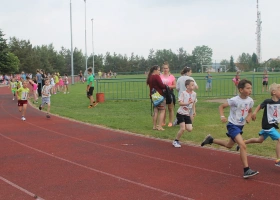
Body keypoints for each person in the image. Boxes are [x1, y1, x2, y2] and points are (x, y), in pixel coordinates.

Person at [201, 79, 259, 179]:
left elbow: (249, 111)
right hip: (232, 125)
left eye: (251, 88)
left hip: (240, 126)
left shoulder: (250, 101)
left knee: (229, 145)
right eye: (248, 88)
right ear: (241, 90)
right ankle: (246, 170)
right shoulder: (235, 100)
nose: (250, 90)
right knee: (242, 145)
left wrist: (250, 117)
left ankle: (210, 139)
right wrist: (222, 117)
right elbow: (221, 106)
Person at [237, 83, 280, 167]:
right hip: (267, 125)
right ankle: (278, 159)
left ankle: (243, 142)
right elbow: (260, 106)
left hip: (272, 125)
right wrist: (254, 113)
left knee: (259, 140)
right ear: (274, 92)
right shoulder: (268, 101)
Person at [172, 79, 196, 147]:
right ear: (187, 86)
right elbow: (180, 103)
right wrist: (187, 103)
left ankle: (178, 122)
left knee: (190, 129)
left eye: (193, 85)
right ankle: (175, 141)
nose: (193, 86)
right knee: (182, 128)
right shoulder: (183, 93)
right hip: (180, 113)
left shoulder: (194, 94)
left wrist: (194, 111)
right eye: (192, 85)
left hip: (187, 114)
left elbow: (194, 103)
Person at [147, 65, 166, 131]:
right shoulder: (156, 76)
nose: (159, 71)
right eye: (158, 70)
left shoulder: (150, 77)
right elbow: (161, 85)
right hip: (159, 95)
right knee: (162, 110)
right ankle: (160, 126)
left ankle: (154, 126)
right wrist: (165, 86)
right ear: (155, 70)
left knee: (155, 110)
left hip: (153, 96)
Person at [160, 61, 176, 127]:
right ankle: (163, 121)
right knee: (163, 108)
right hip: (162, 93)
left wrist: (168, 86)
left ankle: (170, 122)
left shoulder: (172, 76)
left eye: (166, 68)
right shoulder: (160, 76)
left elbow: (175, 85)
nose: (165, 70)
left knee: (170, 108)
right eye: (164, 68)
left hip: (169, 93)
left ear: (169, 69)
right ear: (162, 69)